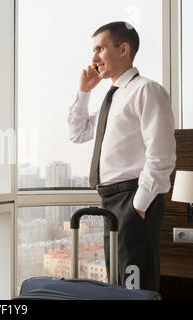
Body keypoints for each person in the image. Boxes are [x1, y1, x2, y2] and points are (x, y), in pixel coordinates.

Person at [67, 21, 176, 292]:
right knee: (117, 281)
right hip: (110, 199)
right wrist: (84, 92)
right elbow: (77, 133)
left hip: (132, 198)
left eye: (100, 49)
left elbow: (161, 154)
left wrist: (139, 205)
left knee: (134, 281)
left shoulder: (146, 90)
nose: (94, 58)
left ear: (123, 49)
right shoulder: (114, 97)